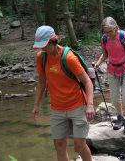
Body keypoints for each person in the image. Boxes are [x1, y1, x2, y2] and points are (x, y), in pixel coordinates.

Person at [31, 25, 95, 161]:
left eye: (44, 45)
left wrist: (90, 105)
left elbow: (87, 82)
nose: (42, 49)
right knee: (59, 144)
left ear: (53, 41)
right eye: (40, 46)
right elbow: (42, 82)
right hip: (57, 108)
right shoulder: (41, 58)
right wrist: (36, 105)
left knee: (79, 145)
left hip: (78, 105)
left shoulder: (69, 58)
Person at [94, 17, 125, 134]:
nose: (108, 34)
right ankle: (120, 118)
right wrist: (98, 64)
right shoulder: (104, 39)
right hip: (112, 70)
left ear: (116, 28)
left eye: (110, 31)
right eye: (106, 32)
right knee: (114, 97)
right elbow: (104, 55)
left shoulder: (123, 37)